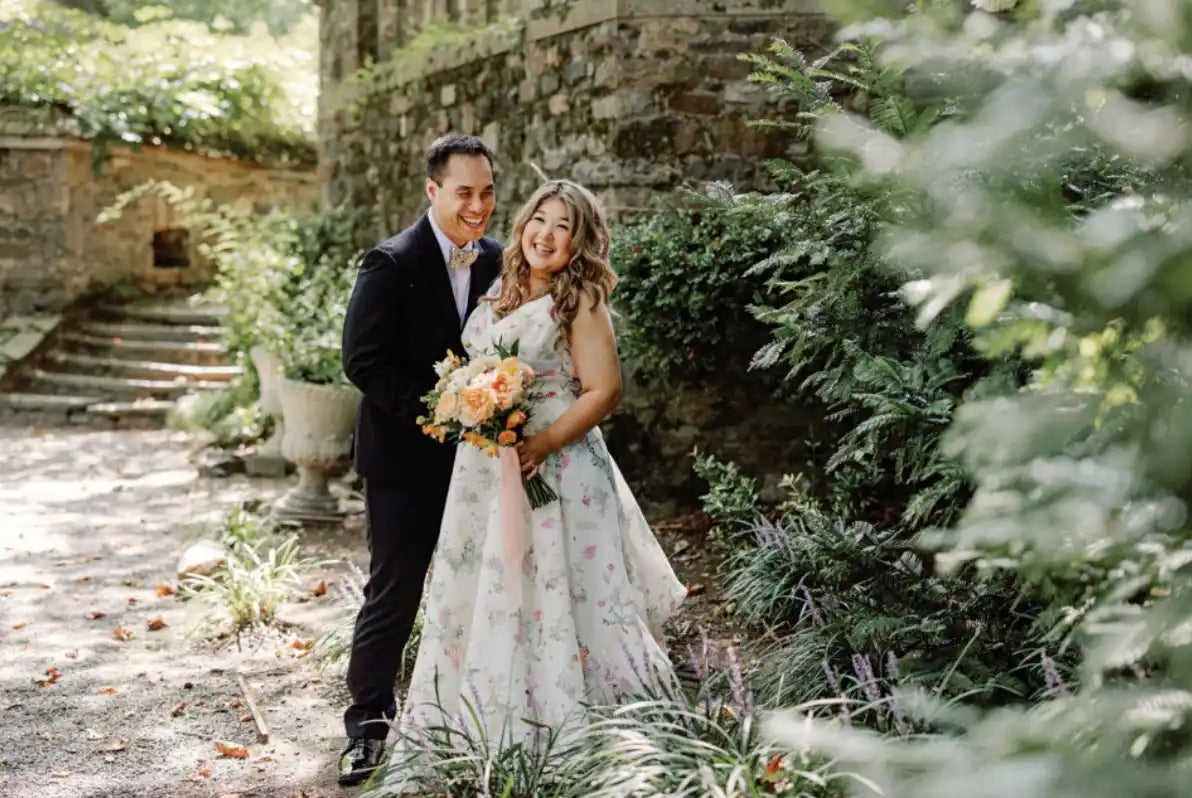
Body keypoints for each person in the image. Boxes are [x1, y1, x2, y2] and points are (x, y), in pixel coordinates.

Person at [376, 180, 687, 793]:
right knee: (490, 584)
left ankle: (572, 726)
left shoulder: (581, 301)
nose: (544, 234)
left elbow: (604, 391)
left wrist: (541, 444)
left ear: (581, 241)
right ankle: (486, 721)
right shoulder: (500, 285)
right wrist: (465, 406)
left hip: (555, 466)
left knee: (557, 589)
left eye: (562, 226)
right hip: (487, 470)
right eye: (537, 220)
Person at [337, 133, 504, 786]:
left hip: (482, 463)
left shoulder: (499, 260)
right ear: (433, 191)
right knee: (395, 592)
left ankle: (470, 720)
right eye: (464, 192)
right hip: (403, 462)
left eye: (488, 192)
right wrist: (442, 409)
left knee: (483, 589)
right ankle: (367, 729)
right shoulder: (390, 262)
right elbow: (362, 362)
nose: (478, 205)